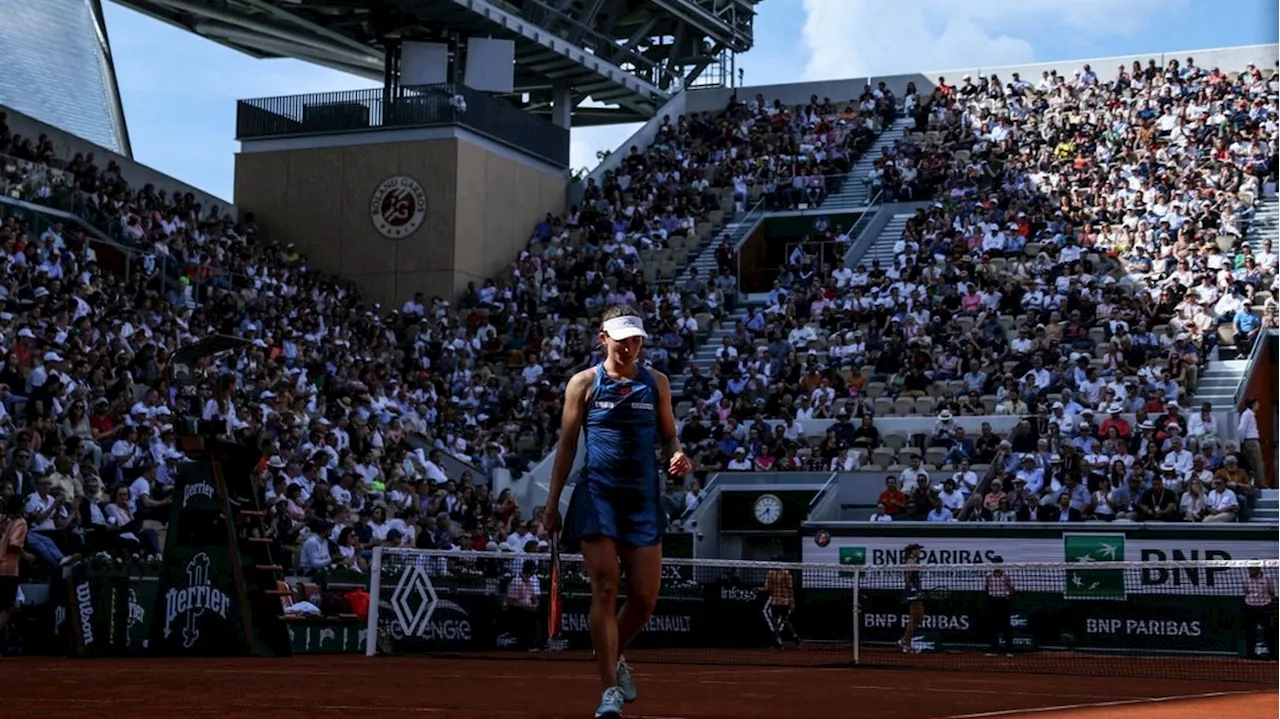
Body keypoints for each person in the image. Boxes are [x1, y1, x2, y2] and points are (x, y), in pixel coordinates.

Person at [544, 305, 693, 719]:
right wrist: (552, 503)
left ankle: (614, 654)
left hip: (644, 498)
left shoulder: (657, 383)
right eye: (622, 338)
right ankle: (609, 690)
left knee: (644, 599)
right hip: (597, 495)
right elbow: (567, 446)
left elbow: (668, 437)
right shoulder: (583, 384)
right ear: (603, 338)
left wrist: (678, 455)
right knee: (606, 588)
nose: (630, 346)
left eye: (636, 339)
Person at [0, 495, 28, 643]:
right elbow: (14, 546)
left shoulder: (1, 518)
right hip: (7, 568)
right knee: (7, 607)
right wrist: (28, 556)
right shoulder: (20, 522)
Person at [504, 559, 542, 651]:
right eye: (534, 569)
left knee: (542, 611)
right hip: (517, 609)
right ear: (531, 569)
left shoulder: (530, 582)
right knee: (525, 616)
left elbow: (534, 597)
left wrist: (535, 606)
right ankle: (525, 644)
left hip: (529, 608)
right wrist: (526, 607)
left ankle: (540, 642)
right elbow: (510, 601)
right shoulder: (516, 582)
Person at [1242, 565, 1278, 661]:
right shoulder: (1246, 579)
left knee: (1269, 630)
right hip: (1250, 607)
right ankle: (1250, 654)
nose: (1250, 570)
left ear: (1258, 569)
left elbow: (1272, 592)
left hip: (1264, 607)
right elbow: (1246, 592)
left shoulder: (1268, 579)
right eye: (1249, 568)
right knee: (1250, 631)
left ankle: (1272, 655)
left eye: (1252, 568)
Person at [762, 563, 801, 649]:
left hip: (778, 602)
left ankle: (780, 642)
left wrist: (758, 589)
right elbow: (790, 588)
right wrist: (792, 601)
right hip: (782, 602)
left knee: (777, 622)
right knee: (784, 621)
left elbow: (766, 588)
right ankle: (793, 638)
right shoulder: (786, 573)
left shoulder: (770, 573)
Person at [897, 543, 925, 653]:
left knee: (919, 618)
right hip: (912, 593)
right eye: (918, 550)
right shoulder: (910, 562)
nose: (919, 552)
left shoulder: (914, 561)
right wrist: (914, 591)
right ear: (912, 551)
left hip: (916, 592)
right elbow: (908, 578)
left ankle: (904, 640)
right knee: (914, 618)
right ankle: (907, 644)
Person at [983, 559, 1015, 656]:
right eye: (994, 563)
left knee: (1006, 626)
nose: (996, 565)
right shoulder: (988, 575)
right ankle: (993, 649)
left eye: (998, 563)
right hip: (993, 601)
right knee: (992, 626)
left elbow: (1011, 588)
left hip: (1003, 602)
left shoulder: (1007, 575)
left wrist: (1008, 597)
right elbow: (986, 587)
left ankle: (1009, 650)